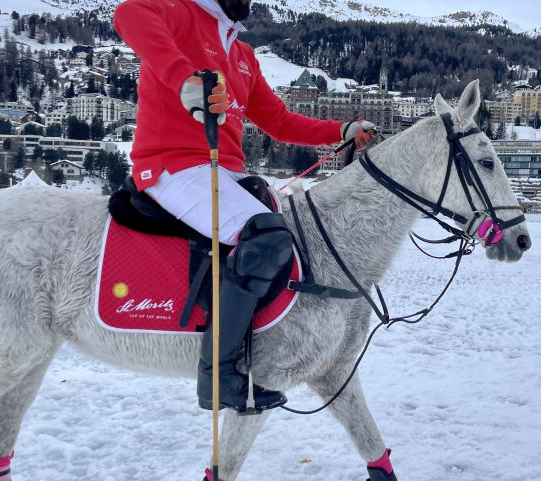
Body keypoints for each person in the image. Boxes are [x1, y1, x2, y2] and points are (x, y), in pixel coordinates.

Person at [113, 0, 377, 414]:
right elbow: (128, 13)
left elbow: (280, 122)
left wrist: (340, 130)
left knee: (295, 235)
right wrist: (185, 81)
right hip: (173, 167)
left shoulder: (243, 55)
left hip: (225, 173)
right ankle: (220, 375)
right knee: (266, 236)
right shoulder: (179, 12)